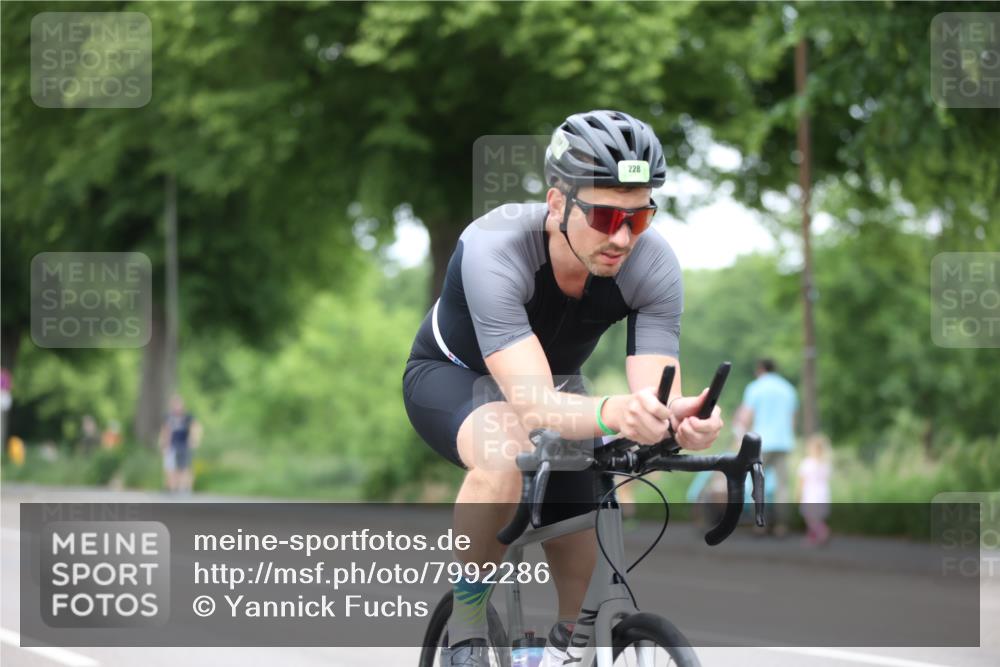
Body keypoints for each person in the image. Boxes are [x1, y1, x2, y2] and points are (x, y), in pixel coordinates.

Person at [402, 110, 724, 666]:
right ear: (557, 203)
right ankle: (468, 624)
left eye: (639, 217)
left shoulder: (653, 264)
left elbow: (655, 390)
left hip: (558, 390)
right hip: (454, 375)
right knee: (505, 452)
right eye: (604, 215)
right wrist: (616, 412)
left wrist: (681, 419)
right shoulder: (495, 246)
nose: (622, 237)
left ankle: (564, 654)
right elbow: (531, 406)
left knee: (585, 527)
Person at [734, 358, 798, 536]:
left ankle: (760, 524)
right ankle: (782, 526)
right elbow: (793, 419)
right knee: (782, 486)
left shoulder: (755, 387)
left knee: (757, 483)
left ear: (760, 369)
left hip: (762, 442)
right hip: (783, 442)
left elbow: (746, 416)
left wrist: (740, 436)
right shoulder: (788, 389)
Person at [158, 395, 202, 493]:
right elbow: (165, 430)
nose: (176, 407)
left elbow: (196, 427)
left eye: (178, 404)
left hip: (184, 445)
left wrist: (194, 440)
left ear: (182, 405)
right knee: (170, 468)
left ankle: (185, 487)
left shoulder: (188, 417)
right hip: (172, 445)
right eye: (174, 405)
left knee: (184, 467)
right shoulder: (168, 417)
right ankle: (171, 487)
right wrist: (163, 443)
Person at [797, 433, 833, 546]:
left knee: (810, 518)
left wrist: (798, 494)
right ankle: (813, 537)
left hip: (810, 495)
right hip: (823, 494)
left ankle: (822, 532)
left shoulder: (807, 463)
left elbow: (802, 480)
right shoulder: (825, 464)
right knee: (817, 517)